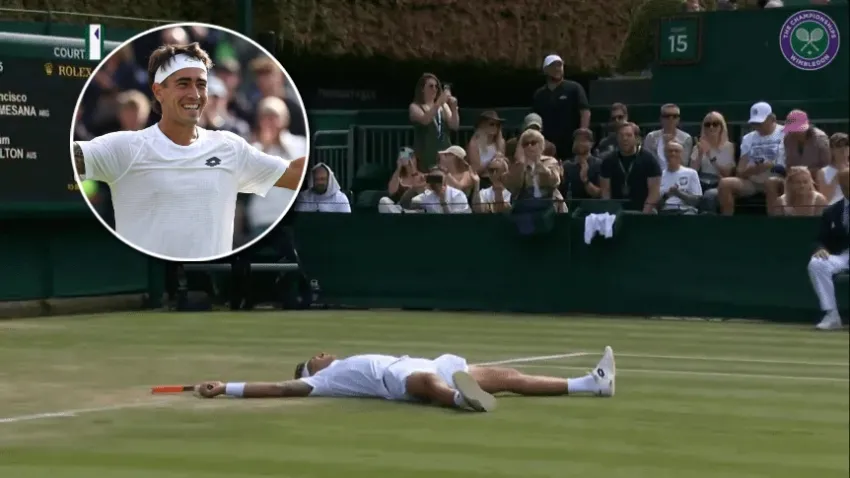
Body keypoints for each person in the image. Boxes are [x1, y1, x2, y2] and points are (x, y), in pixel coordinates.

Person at [72, 43, 306, 260]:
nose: (194, 94)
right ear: (158, 91)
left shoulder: (230, 147)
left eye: (201, 84)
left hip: (210, 293)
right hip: (149, 288)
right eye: (183, 84)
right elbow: (57, 160)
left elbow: (293, 173)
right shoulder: (123, 147)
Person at [193, 346, 617, 413]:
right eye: (314, 357)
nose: (322, 353)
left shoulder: (342, 363)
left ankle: (589, 383)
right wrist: (225, 387)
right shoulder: (323, 381)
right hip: (400, 380)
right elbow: (279, 389)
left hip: (431, 362)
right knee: (424, 386)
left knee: (506, 376)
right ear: (313, 371)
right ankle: (459, 401)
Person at [807, 168, 849, 331]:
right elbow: (819, 239)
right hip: (842, 256)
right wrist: (819, 248)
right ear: (841, 185)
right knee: (817, 263)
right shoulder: (832, 211)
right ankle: (832, 315)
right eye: (845, 185)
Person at [532, 54, 590, 161]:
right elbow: (535, 119)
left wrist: (581, 135)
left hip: (571, 144)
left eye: (560, 66)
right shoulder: (539, 94)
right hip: (548, 146)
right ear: (545, 70)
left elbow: (584, 112)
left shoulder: (574, 88)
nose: (557, 69)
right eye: (553, 66)